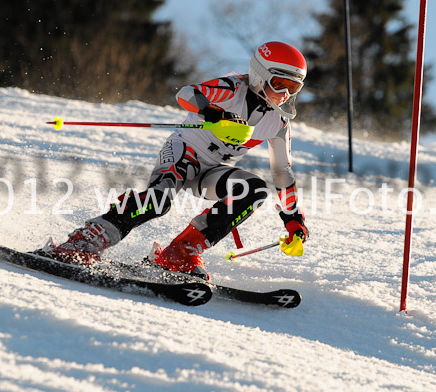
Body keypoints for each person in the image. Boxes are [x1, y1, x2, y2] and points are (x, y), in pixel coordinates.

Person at [40, 41, 310, 281]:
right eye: (280, 84)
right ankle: (84, 242)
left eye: (293, 87)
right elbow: (186, 93)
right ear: (260, 76)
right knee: (159, 201)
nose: (285, 94)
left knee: (255, 189)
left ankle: (179, 253)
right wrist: (211, 111)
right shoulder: (232, 88)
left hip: (213, 171)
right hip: (185, 152)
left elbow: (282, 172)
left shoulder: (278, 122)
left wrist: (292, 217)